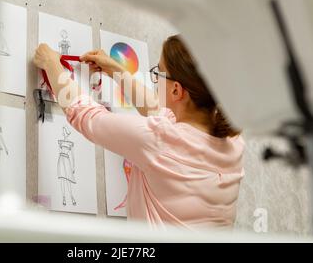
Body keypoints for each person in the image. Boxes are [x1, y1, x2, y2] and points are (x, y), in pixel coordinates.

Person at [33, 35, 245, 230]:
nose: (155, 79)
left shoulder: (160, 140)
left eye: (158, 72)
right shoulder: (233, 140)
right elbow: (158, 111)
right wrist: (116, 71)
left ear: (176, 91)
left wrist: (51, 64)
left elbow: (86, 116)